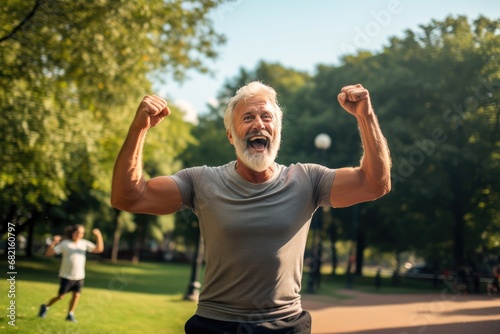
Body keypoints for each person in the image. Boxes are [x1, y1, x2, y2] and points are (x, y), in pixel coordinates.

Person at [111, 82, 391, 333]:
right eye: (248, 117)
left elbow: (374, 183)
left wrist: (365, 116)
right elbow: (129, 197)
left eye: (266, 116)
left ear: (277, 132)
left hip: (286, 325)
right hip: (216, 325)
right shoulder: (201, 181)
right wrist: (139, 128)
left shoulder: (308, 179)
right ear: (231, 136)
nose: (259, 124)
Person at [38, 225, 104, 322]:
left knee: (76, 295)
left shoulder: (84, 244)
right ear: (72, 233)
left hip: (79, 276)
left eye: (81, 233)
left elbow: (99, 249)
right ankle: (45, 307)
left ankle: (70, 314)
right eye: (77, 232)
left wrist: (98, 235)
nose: (79, 235)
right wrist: (54, 242)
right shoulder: (65, 244)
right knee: (61, 296)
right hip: (66, 276)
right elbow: (48, 254)